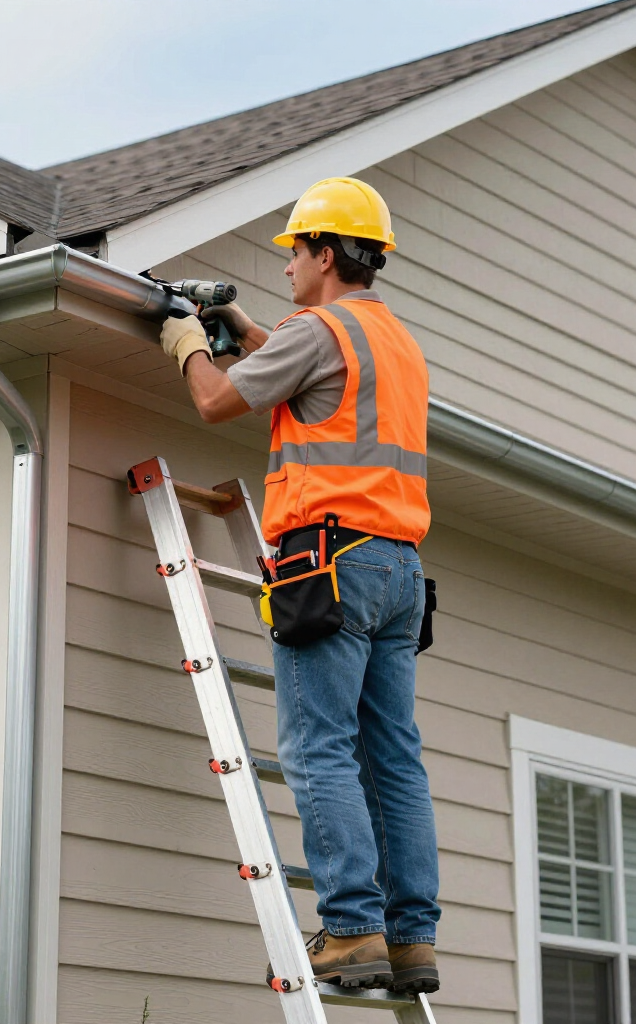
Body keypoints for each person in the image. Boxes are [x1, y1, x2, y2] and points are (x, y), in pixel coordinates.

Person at [157, 177, 441, 994]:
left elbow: (215, 400)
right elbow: (311, 385)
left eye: (294, 251)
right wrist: (244, 330)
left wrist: (186, 340)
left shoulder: (318, 330)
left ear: (324, 251)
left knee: (319, 748)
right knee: (394, 759)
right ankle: (410, 938)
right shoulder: (394, 340)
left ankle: (351, 932)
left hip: (330, 563)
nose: (286, 267)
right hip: (399, 572)